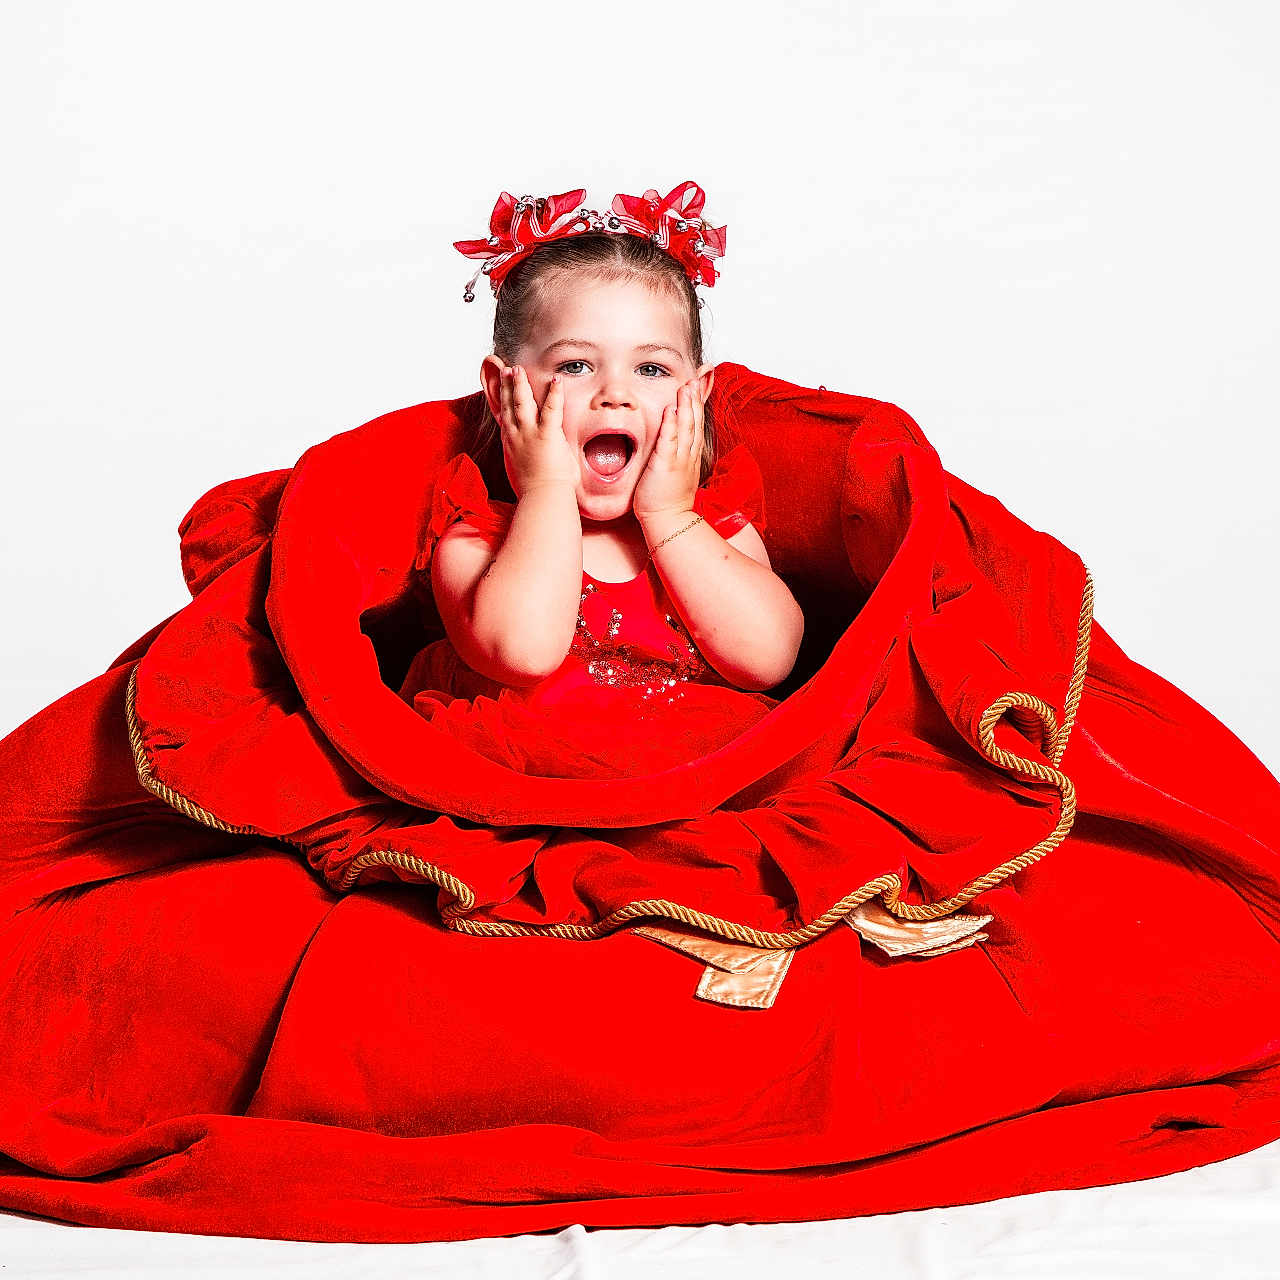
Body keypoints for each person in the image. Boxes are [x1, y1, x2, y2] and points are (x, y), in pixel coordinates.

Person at [399, 187, 805, 778]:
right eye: (574, 365)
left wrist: (669, 515)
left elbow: (769, 662)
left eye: (651, 368)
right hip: (526, 787)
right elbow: (525, 652)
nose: (615, 392)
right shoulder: (479, 539)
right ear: (502, 388)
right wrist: (545, 493)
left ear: (697, 393)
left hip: (691, 789)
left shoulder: (713, 529)